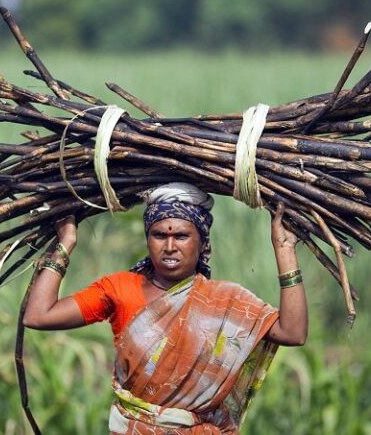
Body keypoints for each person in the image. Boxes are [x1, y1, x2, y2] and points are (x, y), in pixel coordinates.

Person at [23, 182, 308, 434]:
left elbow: (293, 332)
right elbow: (38, 315)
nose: (169, 246)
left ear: (202, 243)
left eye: (181, 236)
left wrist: (284, 251)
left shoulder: (224, 300)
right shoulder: (119, 288)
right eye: (159, 235)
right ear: (148, 239)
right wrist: (66, 243)